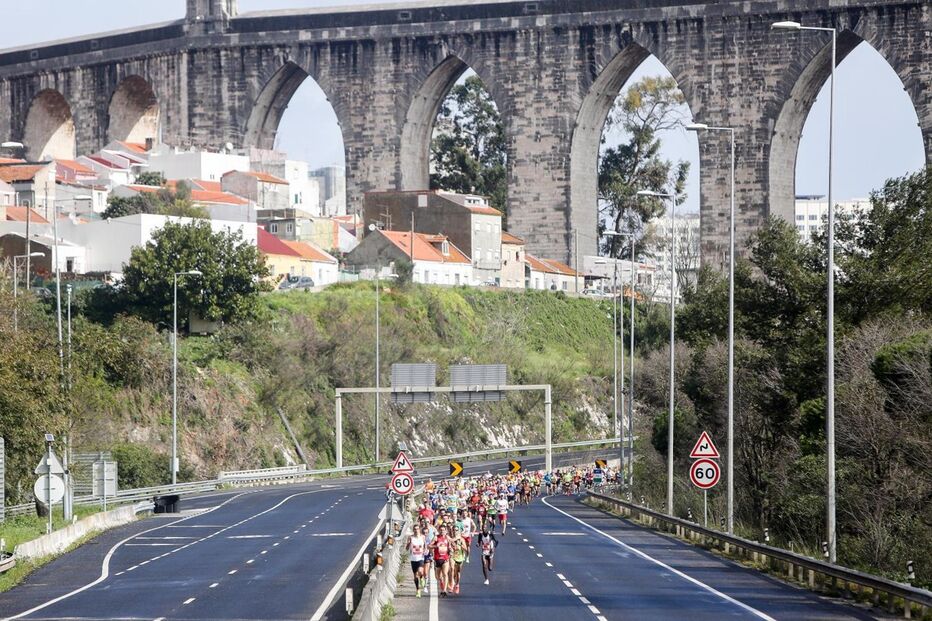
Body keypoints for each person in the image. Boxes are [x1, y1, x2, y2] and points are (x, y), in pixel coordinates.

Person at [430, 524, 452, 596]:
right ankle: (442, 584)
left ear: (446, 531)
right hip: (437, 559)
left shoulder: (447, 538)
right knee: (438, 577)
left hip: (445, 559)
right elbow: (429, 545)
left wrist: (451, 549)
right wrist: (436, 546)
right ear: (439, 530)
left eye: (444, 530)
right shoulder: (436, 538)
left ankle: (444, 590)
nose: (442, 531)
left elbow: (452, 545)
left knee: (445, 574)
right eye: (441, 530)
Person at [408, 524, 427, 598]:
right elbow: (407, 548)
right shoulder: (411, 537)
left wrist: (425, 550)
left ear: (419, 529)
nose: (416, 530)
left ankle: (422, 577)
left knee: (420, 571)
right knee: (415, 576)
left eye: (417, 529)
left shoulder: (422, 537)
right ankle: (418, 590)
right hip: (413, 558)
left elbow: (425, 545)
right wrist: (409, 543)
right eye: (415, 529)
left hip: (420, 557)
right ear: (413, 530)